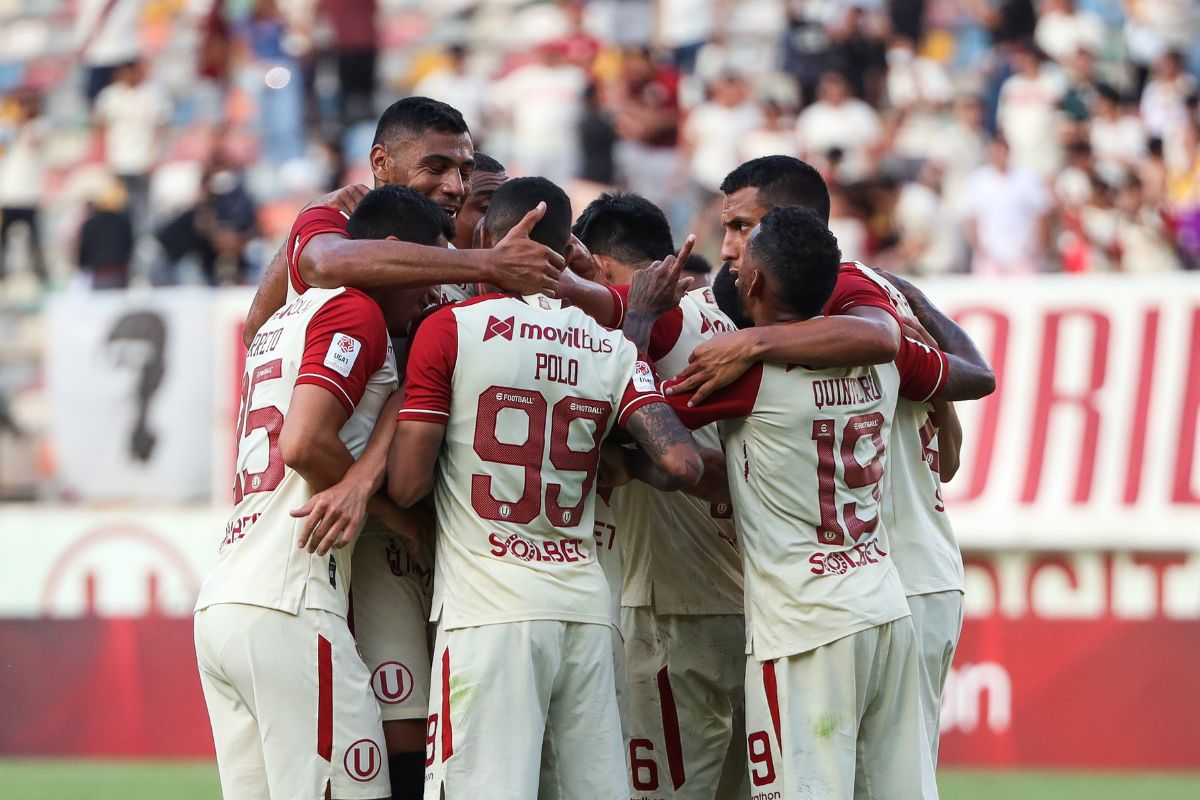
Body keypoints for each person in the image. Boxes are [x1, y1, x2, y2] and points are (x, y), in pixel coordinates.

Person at [387, 177, 705, 800]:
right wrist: (616, 461)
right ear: (568, 251)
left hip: (489, 612)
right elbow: (681, 465)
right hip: (584, 609)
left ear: (485, 238)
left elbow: (405, 485)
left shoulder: (452, 328)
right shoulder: (610, 346)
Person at [654, 205, 947, 799]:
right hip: (884, 607)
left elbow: (640, 414)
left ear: (757, 282)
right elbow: (959, 376)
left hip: (803, 627)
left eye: (744, 262)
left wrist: (635, 321)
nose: (732, 269)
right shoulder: (880, 354)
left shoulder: (744, 372)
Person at [194, 186, 453, 800]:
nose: (431, 286)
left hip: (226, 599)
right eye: (426, 265)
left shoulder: (284, 319)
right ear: (388, 255)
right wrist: (383, 504)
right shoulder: (354, 309)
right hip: (292, 597)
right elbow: (305, 443)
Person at [573, 191, 749, 800]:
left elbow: (608, 421)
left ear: (600, 268)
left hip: (671, 608)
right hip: (762, 602)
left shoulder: (627, 330)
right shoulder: (734, 323)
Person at [241, 96, 563, 348]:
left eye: (464, 173)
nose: (456, 187)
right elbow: (319, 268)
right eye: (436, 168)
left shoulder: (455, 252)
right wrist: (489, 263)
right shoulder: (341, 214)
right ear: (381, 162)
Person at [92, 59, 171, 231]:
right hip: (118, 160)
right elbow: (100, 127)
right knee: (120, 206)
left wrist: (155, 156)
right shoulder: (110, 96)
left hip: (145, 160)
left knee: (145, 207)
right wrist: (104, 157)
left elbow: (161, 127)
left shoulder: (152, 93)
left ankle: (145, 240)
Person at [963, 135, 1053, 276]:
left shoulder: (1027, 177)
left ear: (1009, 151)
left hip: (1024, 256)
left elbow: (1041, 215)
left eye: (1001, 150)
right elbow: (971, 220)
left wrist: (1037, 249)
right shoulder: (978, 180)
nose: (998, 155)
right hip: (990, 258)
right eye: (995, 151)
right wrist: (981, 250)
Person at [0, 91, 49, 287]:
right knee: (3, 240)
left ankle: (40, 273)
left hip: (29, 194)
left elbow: (35, 143)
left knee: (35, 240)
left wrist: (20, 126)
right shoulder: (6, 129)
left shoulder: (40, 127)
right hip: (7, 195)